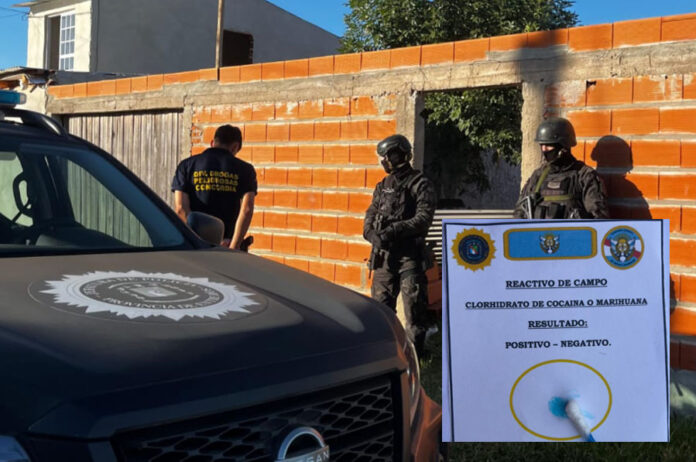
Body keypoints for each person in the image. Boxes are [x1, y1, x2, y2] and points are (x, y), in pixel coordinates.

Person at [363, 134, 437, 357]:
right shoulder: (382, 186)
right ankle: (384, 354)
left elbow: (423, 218)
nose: (384, 161)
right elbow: (371, 213)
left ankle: (414, 357)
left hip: (409, 258)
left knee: (414, 312)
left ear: (399, 155)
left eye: (387, 156)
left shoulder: (420, 184)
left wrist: (395, 230)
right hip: (384, 258)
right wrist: (371, 234)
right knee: (381, 310)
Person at [172, 124, 257, 249]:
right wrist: (234, 246)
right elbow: (247, 209)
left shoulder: (186, 166)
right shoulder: (246, 169)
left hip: (195, 246)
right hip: (227, 245)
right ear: (235, 147)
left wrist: (197, 242)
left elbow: (180, 209)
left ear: (212, 142)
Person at [514, 117, 609, 219]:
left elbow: (599, 218)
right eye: (542, 145)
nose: (544, 149)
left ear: (563, 146)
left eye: (549, 145)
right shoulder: (538, 175)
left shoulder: (584, 176)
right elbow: (520, 213)